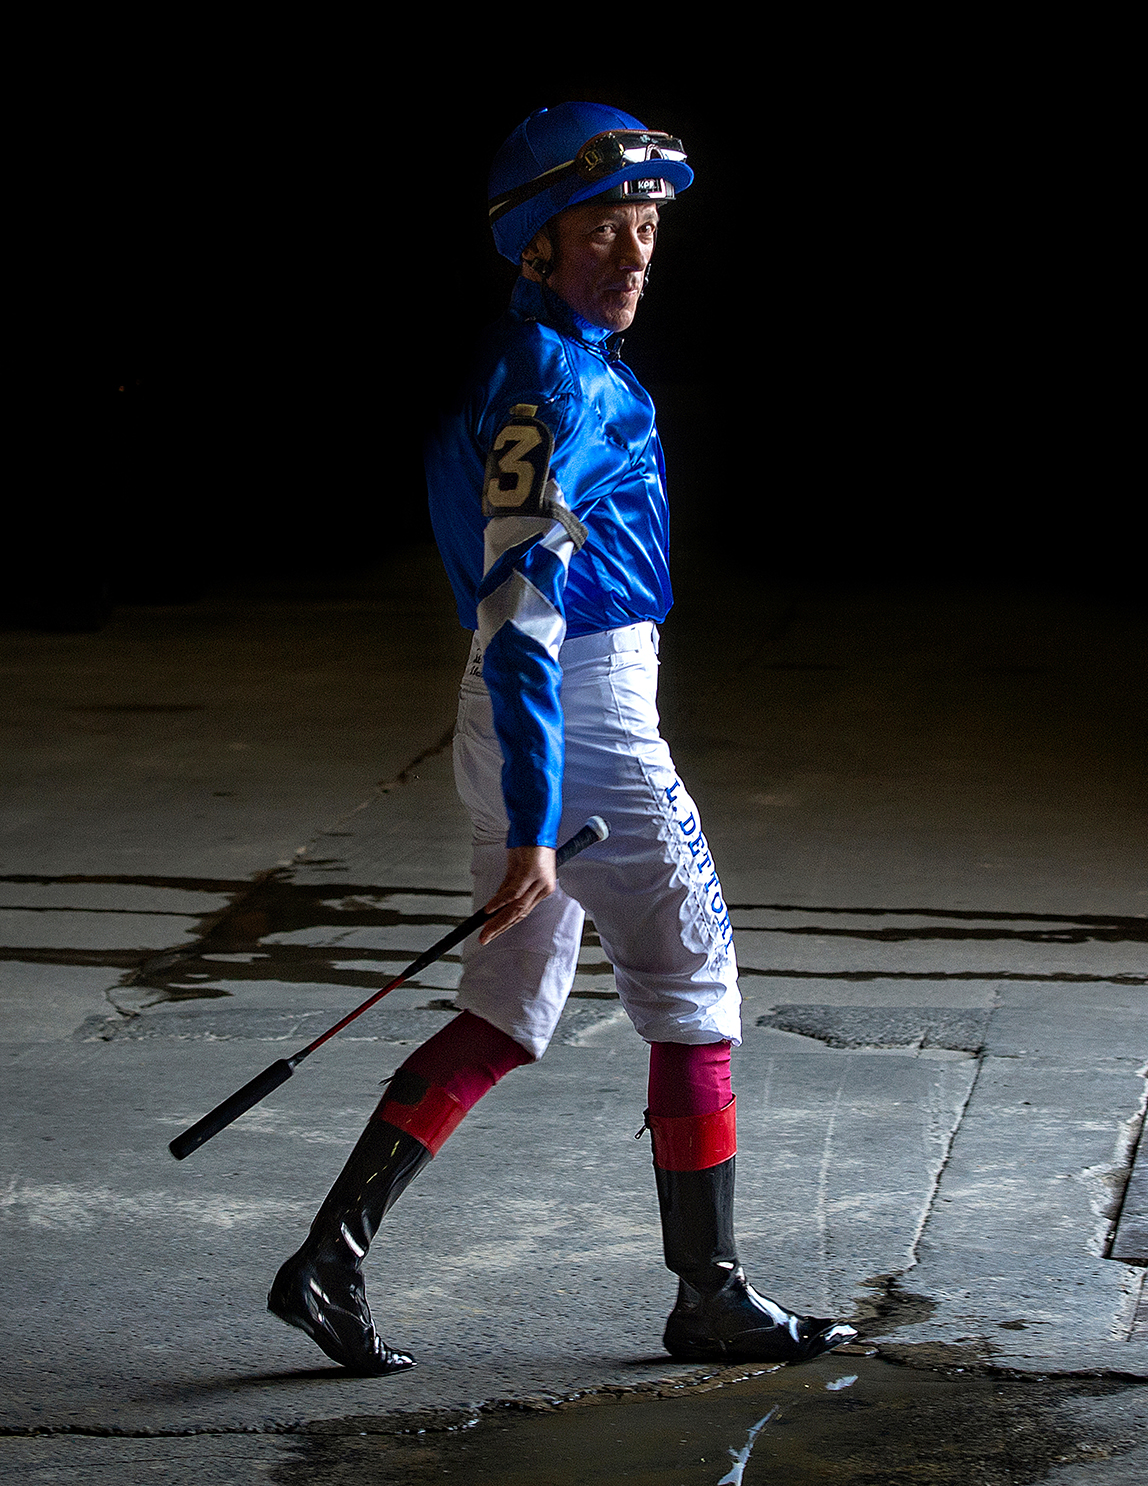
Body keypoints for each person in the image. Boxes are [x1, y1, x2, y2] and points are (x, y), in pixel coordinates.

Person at [266, 101, 856, 1376]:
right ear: (534, 245)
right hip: (579, 722)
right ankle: (710, 1296)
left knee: (506, 1004)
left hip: (511, 710)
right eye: (603, 231)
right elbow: (526, 613)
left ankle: (330, 1258)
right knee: (699, 997)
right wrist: (540, 814)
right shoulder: (568, 388)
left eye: (647, 228)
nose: (636, 254)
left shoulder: (505, 365)